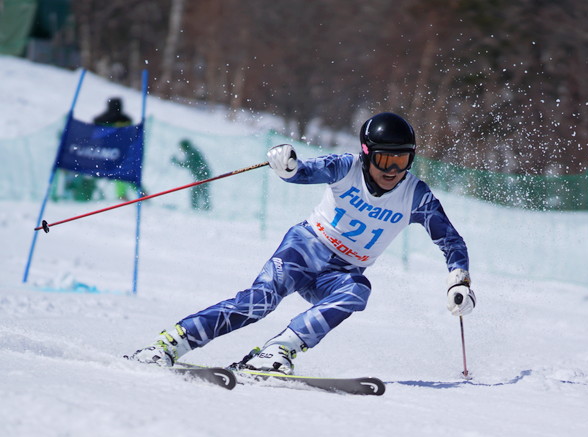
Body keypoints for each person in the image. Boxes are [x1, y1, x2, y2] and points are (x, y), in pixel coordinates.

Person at [128, 112, 476, 374]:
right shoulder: (346, 167)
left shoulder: (415, 195)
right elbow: (304, 171)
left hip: (342, 271)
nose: (393, 170)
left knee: (358, 292)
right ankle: (172, 343)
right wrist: (287, 166)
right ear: (368, 154)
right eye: (386, 159)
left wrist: (458, 280)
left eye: (402, 160)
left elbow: (449, 239)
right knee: (259, 302)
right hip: (306, 248)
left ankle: (278, 351)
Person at [93, 97, 138, 200]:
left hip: (107, 153)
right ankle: (126, 194)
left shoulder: (101, 119)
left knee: (124, 171)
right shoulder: (125, 119)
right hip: (115, 153)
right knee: (124, 171)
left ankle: (124, 194)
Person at [171, 139, 212, 211]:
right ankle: (204, 206)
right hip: (202, 173)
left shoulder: (191, 152)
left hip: (202, 174)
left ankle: (198, 207)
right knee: (201, 190)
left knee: (198, 191)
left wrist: (176, 162)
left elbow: (188, 164)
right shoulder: (192, 151)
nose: (181, 150)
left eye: (181, 147)